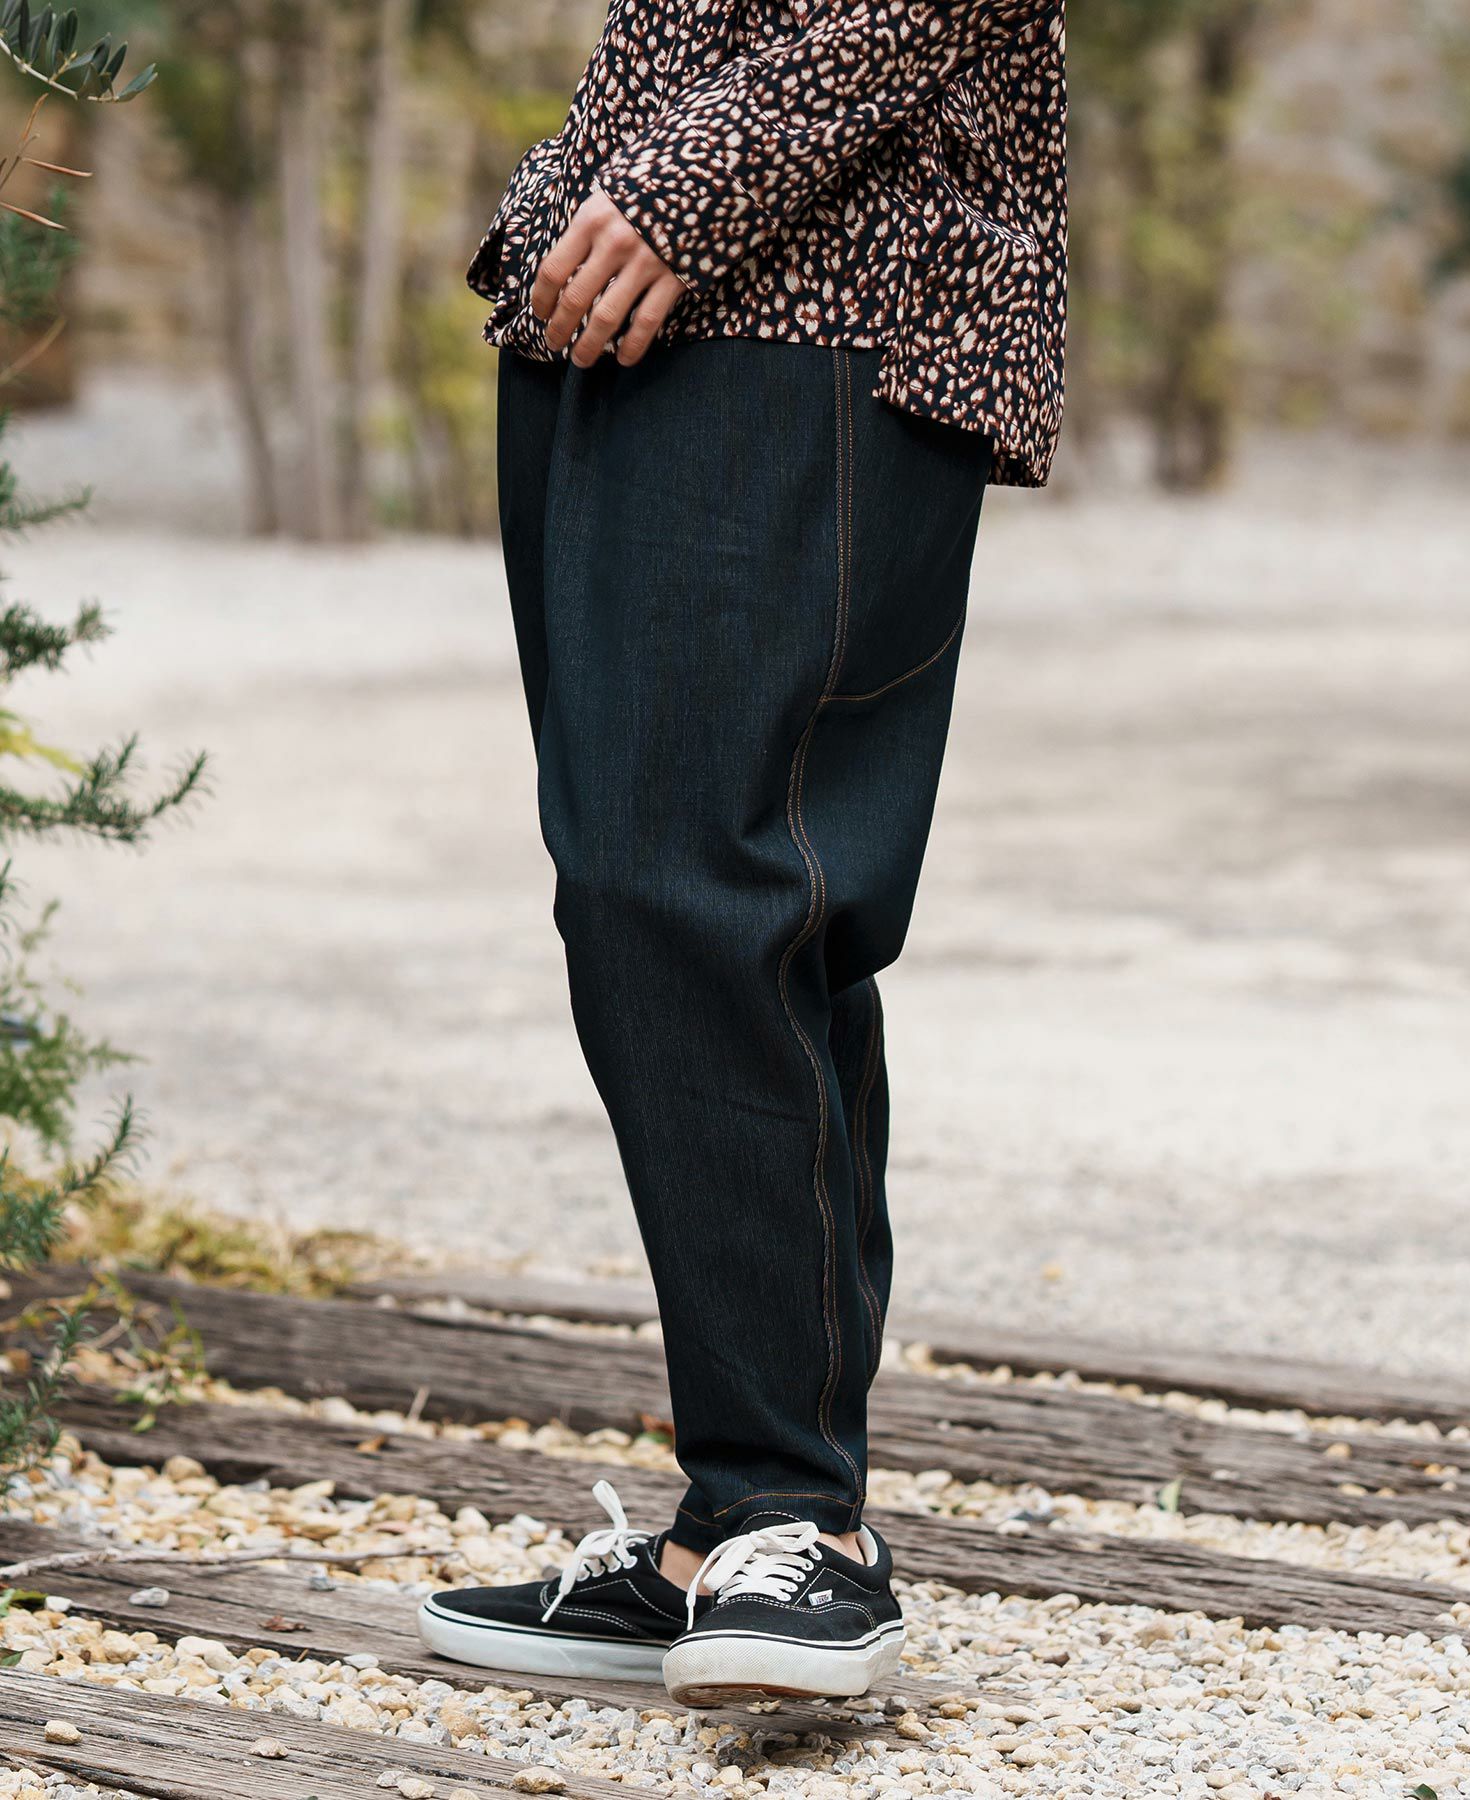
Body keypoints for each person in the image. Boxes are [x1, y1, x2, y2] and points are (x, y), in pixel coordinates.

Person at [418, 0, 1067, 1708]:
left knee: (704, 887)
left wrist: (694, 182)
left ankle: (797, 1519)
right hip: (620, 293)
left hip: (813, 283)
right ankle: (737, 1527)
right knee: (669, 899)